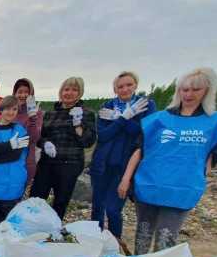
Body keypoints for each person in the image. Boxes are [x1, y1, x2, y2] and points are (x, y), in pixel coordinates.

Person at [118, 67, 217, 254]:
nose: (189, 94)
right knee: (143, 232)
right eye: (185, 89)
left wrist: (199, 179)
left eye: (196, 89)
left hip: (182, 187)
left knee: (166, 237)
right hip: (150, 182)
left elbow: (211, 157)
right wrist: (126, 179)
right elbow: (139, 150)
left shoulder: (215, 122)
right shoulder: (158, 120)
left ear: (207, 91)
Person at [90, 72, 156, 238]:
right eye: (120, 86)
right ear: (114, 89)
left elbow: (142, 134)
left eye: (129, 85)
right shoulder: (106, 107)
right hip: (102, 164)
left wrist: (120, 118)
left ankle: (114, 244)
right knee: (97, 208)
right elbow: (103, 136)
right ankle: (95, 242)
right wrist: (124, 117)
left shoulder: (145, 105)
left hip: (126, 166)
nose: (124, 89)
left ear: (136, 86)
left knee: (113, 209)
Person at [30, 77, 97, 220]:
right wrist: (46, 143)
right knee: (36, 195)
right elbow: (39, 137)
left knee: (61, 200)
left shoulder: (86, 113)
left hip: (70, 163)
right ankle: (34, 223)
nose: (69, 93)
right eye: (66, 89)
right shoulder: (51, 113)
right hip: (47, 161)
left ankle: (53, 229)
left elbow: (89, 141)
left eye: (74, 89)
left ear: (80, 92)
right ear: (61, 91)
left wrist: (78, 125)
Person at [12, 78, 45, 186]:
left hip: (25, 163)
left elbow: (34, 138)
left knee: (16, 196)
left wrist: (32, 118)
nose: (23, 95)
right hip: (7, 161)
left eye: (26, 92)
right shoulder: (10, 110)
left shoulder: (36, 112)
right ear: (14, 93)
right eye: (20, 92)